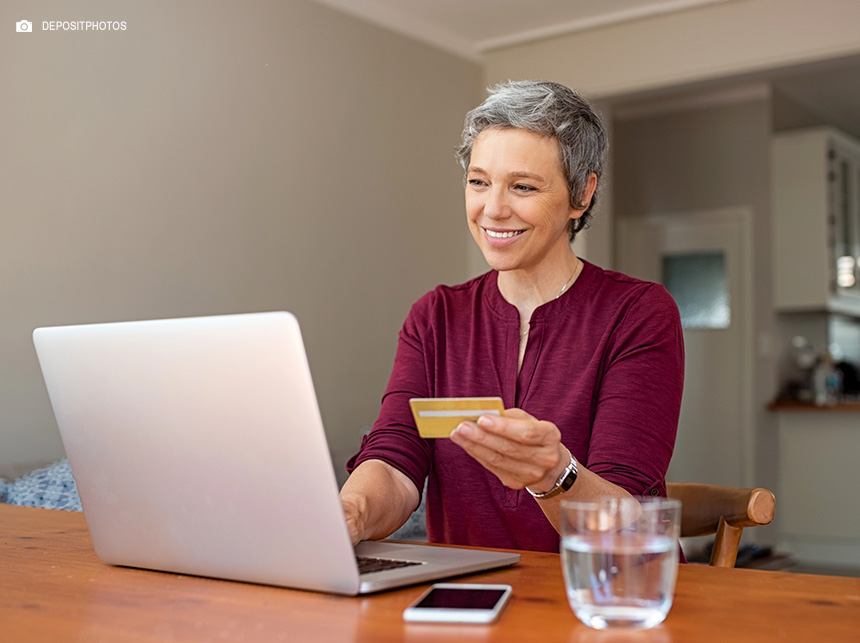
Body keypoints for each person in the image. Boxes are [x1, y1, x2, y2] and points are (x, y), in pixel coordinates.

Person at [340, 80, 684, 553]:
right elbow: (395, 461)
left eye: (522, 186)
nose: (493, 209)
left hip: (603, 600)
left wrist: (552, 474)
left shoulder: (638, 314)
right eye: (479, 182)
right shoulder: (435, 317)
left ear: (581, 195)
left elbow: (628, 522)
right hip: (469, 601)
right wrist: (349, 515)